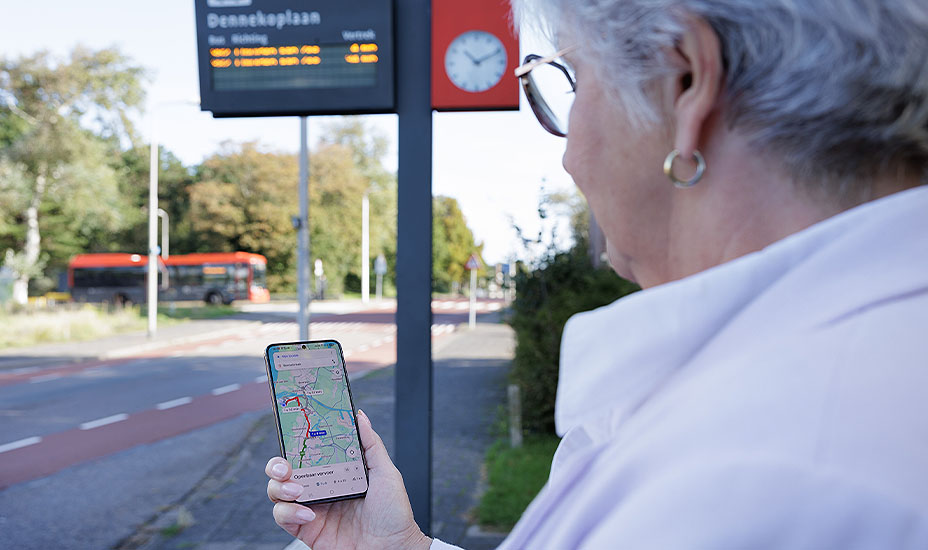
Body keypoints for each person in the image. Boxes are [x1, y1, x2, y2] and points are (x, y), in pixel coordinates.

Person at [267, 0, 928, 547]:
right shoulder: (844, 381)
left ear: (687, 84)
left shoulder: (751, 481)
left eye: (575, 82)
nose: (569, 155)